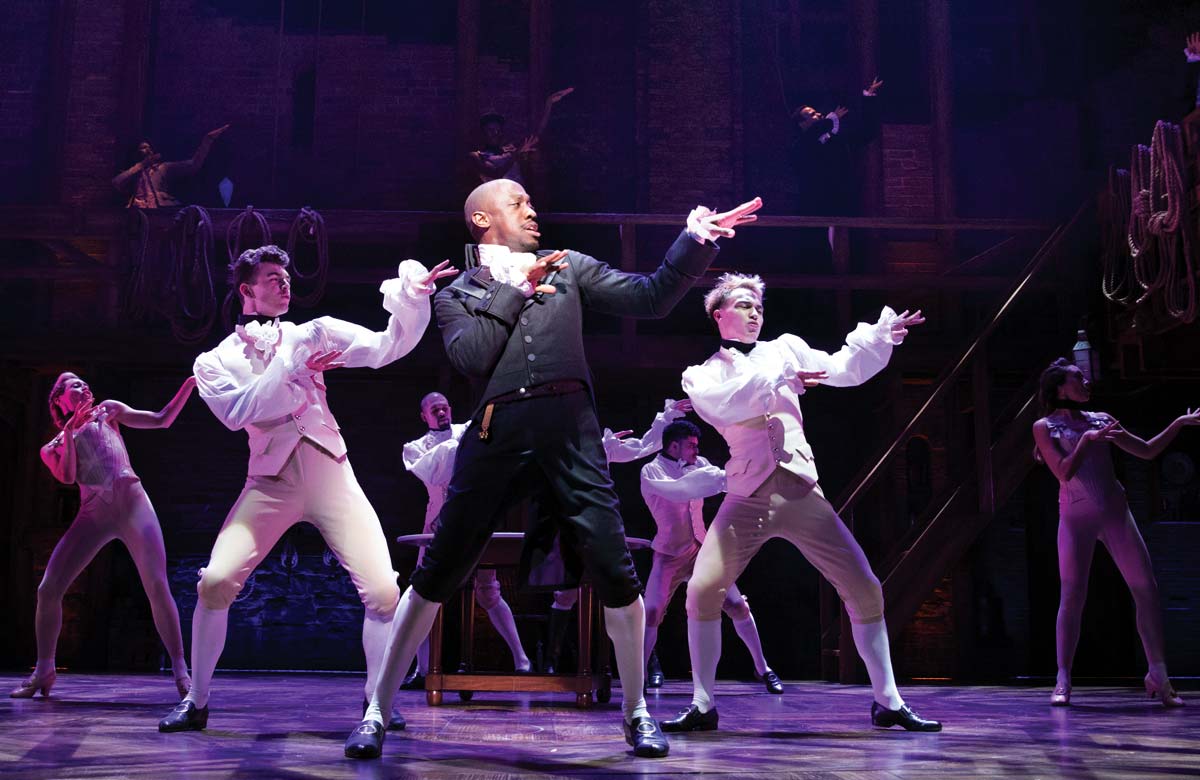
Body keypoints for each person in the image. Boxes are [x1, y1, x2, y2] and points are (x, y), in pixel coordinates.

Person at [343, 179, 761, 760]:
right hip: (497, 429)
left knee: (615, 568)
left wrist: (693, 241)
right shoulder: (458, 291)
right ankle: (377, 711)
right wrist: (517, 290)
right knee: (439, 568)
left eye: (531, 202)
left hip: (571, 426)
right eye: (517, 203)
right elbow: (470, 356)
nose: (532, 210)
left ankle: (637, 711)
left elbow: (649, 296)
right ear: (483, 221)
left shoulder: (568, 266)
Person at [157, 245, 455, 733]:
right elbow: (239, 413)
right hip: (269, 482)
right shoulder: (213, 361)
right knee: (214, 583)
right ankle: (198, 699)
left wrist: (412, 298)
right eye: (273, 277)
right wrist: (290, 361)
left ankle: (375, 703)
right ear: (246, 290)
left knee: (383, 590)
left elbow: (385, 348)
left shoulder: (311, 333)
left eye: (287, 276)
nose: (284, 283)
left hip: (330, 472)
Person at [663, 272, 941, 734]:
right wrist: (780, 378)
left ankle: (888, 701)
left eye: (759, 305)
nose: (755, 311)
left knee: (865, 587)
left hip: (800, 488)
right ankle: (703, 704)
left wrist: (877, 338)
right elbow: (727, 404)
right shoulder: (702, 374)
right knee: (701, 590)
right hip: (747, 495)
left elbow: (842, 368)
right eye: (744, 303)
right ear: (719, 314)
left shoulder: (785, 347)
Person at [11, 373, 196, 699]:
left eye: (84, 383)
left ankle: (181, 669)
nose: (83, 387)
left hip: (133, 503)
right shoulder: (50, 448)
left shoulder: (107, 412)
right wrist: (68, 435)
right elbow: (68, 476)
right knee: (48, 588)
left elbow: (162, 419)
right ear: (59, 398)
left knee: (156, 583)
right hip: (94, 514)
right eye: (74, 385)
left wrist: (190, 384)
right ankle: (44, 670)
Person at [1031, 358, 1199, 707]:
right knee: (1072, 595)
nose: (1086, 381)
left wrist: (1179, 423)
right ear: (1061, 387)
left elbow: (1147, 450)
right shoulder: (1044, 427)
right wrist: (1086, 441)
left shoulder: (1101, 419)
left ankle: (1158, 674)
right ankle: (1063, 678)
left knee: (1146, 589)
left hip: (1115, 512)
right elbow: (1062, 472)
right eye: (1079, 377)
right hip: (1076, 517)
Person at [640, 419, 783, 695]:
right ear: (673, 446)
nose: (696, 450)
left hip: (701, 551)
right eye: (691, 446)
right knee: (652, 612)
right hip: (668, 554)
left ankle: (763, 668)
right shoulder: (651, 471)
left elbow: (725, 480)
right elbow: (681, 489)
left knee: (737, 605)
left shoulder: (701, 463)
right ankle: (640, 675)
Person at [400, 391, 531, 691]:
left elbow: (488, 431)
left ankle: (522, 660)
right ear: (424, 415)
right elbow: (433, 473)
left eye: (445, 407)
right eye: (435, 409)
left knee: (488, 591)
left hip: (475, 519)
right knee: (423, 595)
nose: (442, 412)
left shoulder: (468, 430)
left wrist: (487, 413)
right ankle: (421, 669)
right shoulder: (415, 448)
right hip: (437, 525)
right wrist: (464, 441)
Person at [469, 88, 574, 185]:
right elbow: (496, 174)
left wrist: (549, 103)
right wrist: (517, 153)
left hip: (518, 199)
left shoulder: (510, 150)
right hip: (496, 202)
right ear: (483, 132)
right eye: (490, 130)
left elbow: (536, 135)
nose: (495, 133)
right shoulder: (477, 156)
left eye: (498, 129)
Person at [112, 125, 230, 209]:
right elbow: (117, 182)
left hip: (161, 210)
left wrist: (207, 141)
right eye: (143, 148)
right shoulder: (134, 172)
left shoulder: (162, 168)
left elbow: (193, 165)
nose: (147, 150)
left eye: (148, 147)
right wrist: (142, 165)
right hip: (138, 213)